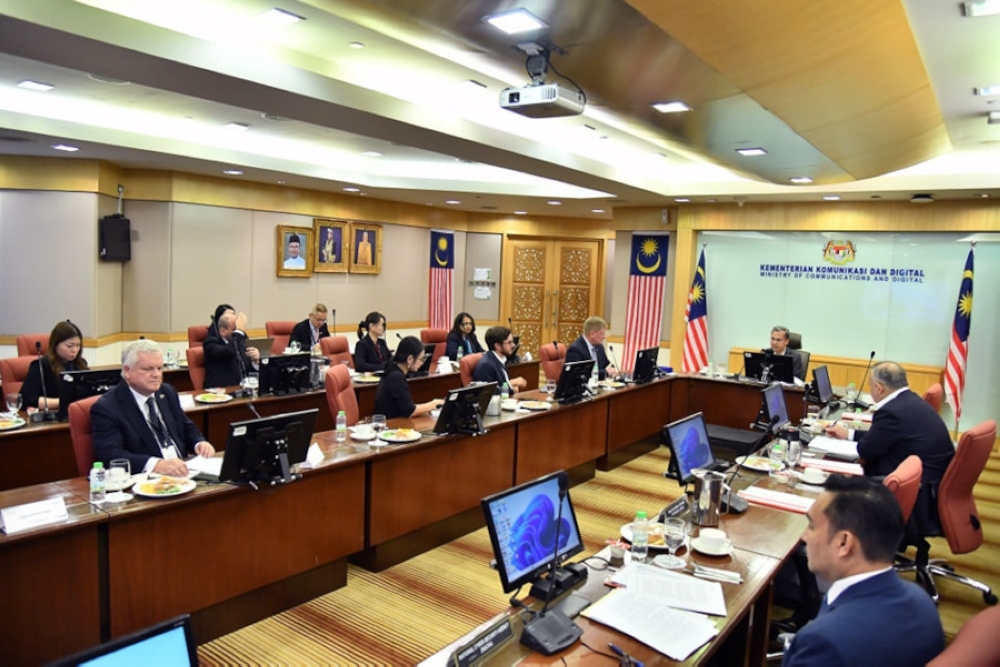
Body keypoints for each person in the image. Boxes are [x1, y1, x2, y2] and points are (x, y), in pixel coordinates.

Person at [783, 475, 944, 666]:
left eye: (811, 526)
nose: (805, 536)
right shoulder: (922, 601)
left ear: (844, 543)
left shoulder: (822, 642)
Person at [91, 339, 215, 476]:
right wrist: (156, 464)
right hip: (147, 479)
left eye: (159, 368)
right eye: (148, 369)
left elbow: (186, 426)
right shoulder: (107, 408)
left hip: (183, 470)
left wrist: (199, 443)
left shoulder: (166, 392)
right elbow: (111, 455)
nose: (156, 375)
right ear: (127, 371)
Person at [823, 361, 954, 483]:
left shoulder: (891, 411)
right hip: (929, 479)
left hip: (914, 487)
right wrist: (849, 434)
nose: (870, 389)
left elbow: (866, 450)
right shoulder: (911, 400)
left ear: (879, 388)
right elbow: (882, 438)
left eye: (870, 385)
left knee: (834, 481)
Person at [20, 320, 89, 411]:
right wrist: (63, 402)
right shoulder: (40, 366)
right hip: (53, 418)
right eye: (69, 346)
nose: (75, 350)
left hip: (78, 413)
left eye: (78, 345)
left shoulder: (81, 364)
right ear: (55, 345)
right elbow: (26, 400)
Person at [373, 336, 445, 419]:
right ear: (410, 359)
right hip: (389, 425)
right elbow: (410, 411)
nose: (422, 363)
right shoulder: (396, 377)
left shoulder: (393, 368)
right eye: (421, 359)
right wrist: (433, 404)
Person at [203, 311, 260, 388]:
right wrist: (239, 331)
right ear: (223, 331)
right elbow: (229, 351)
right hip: (220, 393)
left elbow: (249, 371)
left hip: (244, 391)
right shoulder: (211, 344)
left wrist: (256, 361)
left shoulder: (241, 343)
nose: (238, 332)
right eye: (235, 329)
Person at [473, 326, 527, 393]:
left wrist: (512, 388)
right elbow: (487, 393)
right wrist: (511, 384)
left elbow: (502, 384)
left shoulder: (501, 359)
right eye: (509, 342)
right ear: (497, 346)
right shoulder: (486, 365)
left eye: (512, 342)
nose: (513, 345)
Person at [565, 316, 618, 380]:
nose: (604, 337)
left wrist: (612, 369)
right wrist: (605, 373)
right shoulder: (575, 349)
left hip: (599, 385)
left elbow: (606, 364)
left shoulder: (599, 347)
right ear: (592, 334)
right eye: (602, 334)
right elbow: (579, 374)